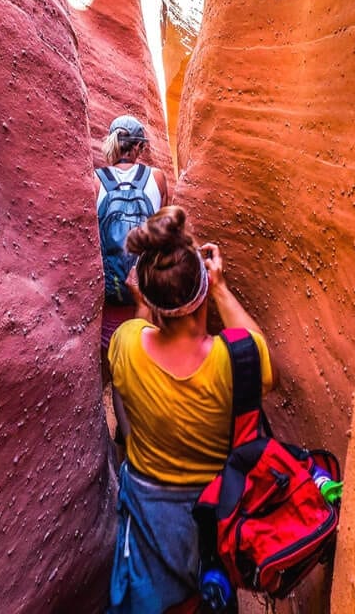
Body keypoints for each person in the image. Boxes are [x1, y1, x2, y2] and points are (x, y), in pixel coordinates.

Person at [107, 206, 273, 613]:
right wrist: (220, 287)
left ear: (147, 295)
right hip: (214, 510)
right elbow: (257, 349)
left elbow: (141, 327)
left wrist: (141, 301)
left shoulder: (126, 343)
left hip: (149, 509)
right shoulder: (236, 360)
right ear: (203, 288)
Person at [95, 115, 168, 350]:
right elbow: (165, 232)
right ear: (139, 146)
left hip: (112, 293)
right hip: (148, 293)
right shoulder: (157, 178)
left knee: (114, 355)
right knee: (146, 354)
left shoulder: (96, 180)